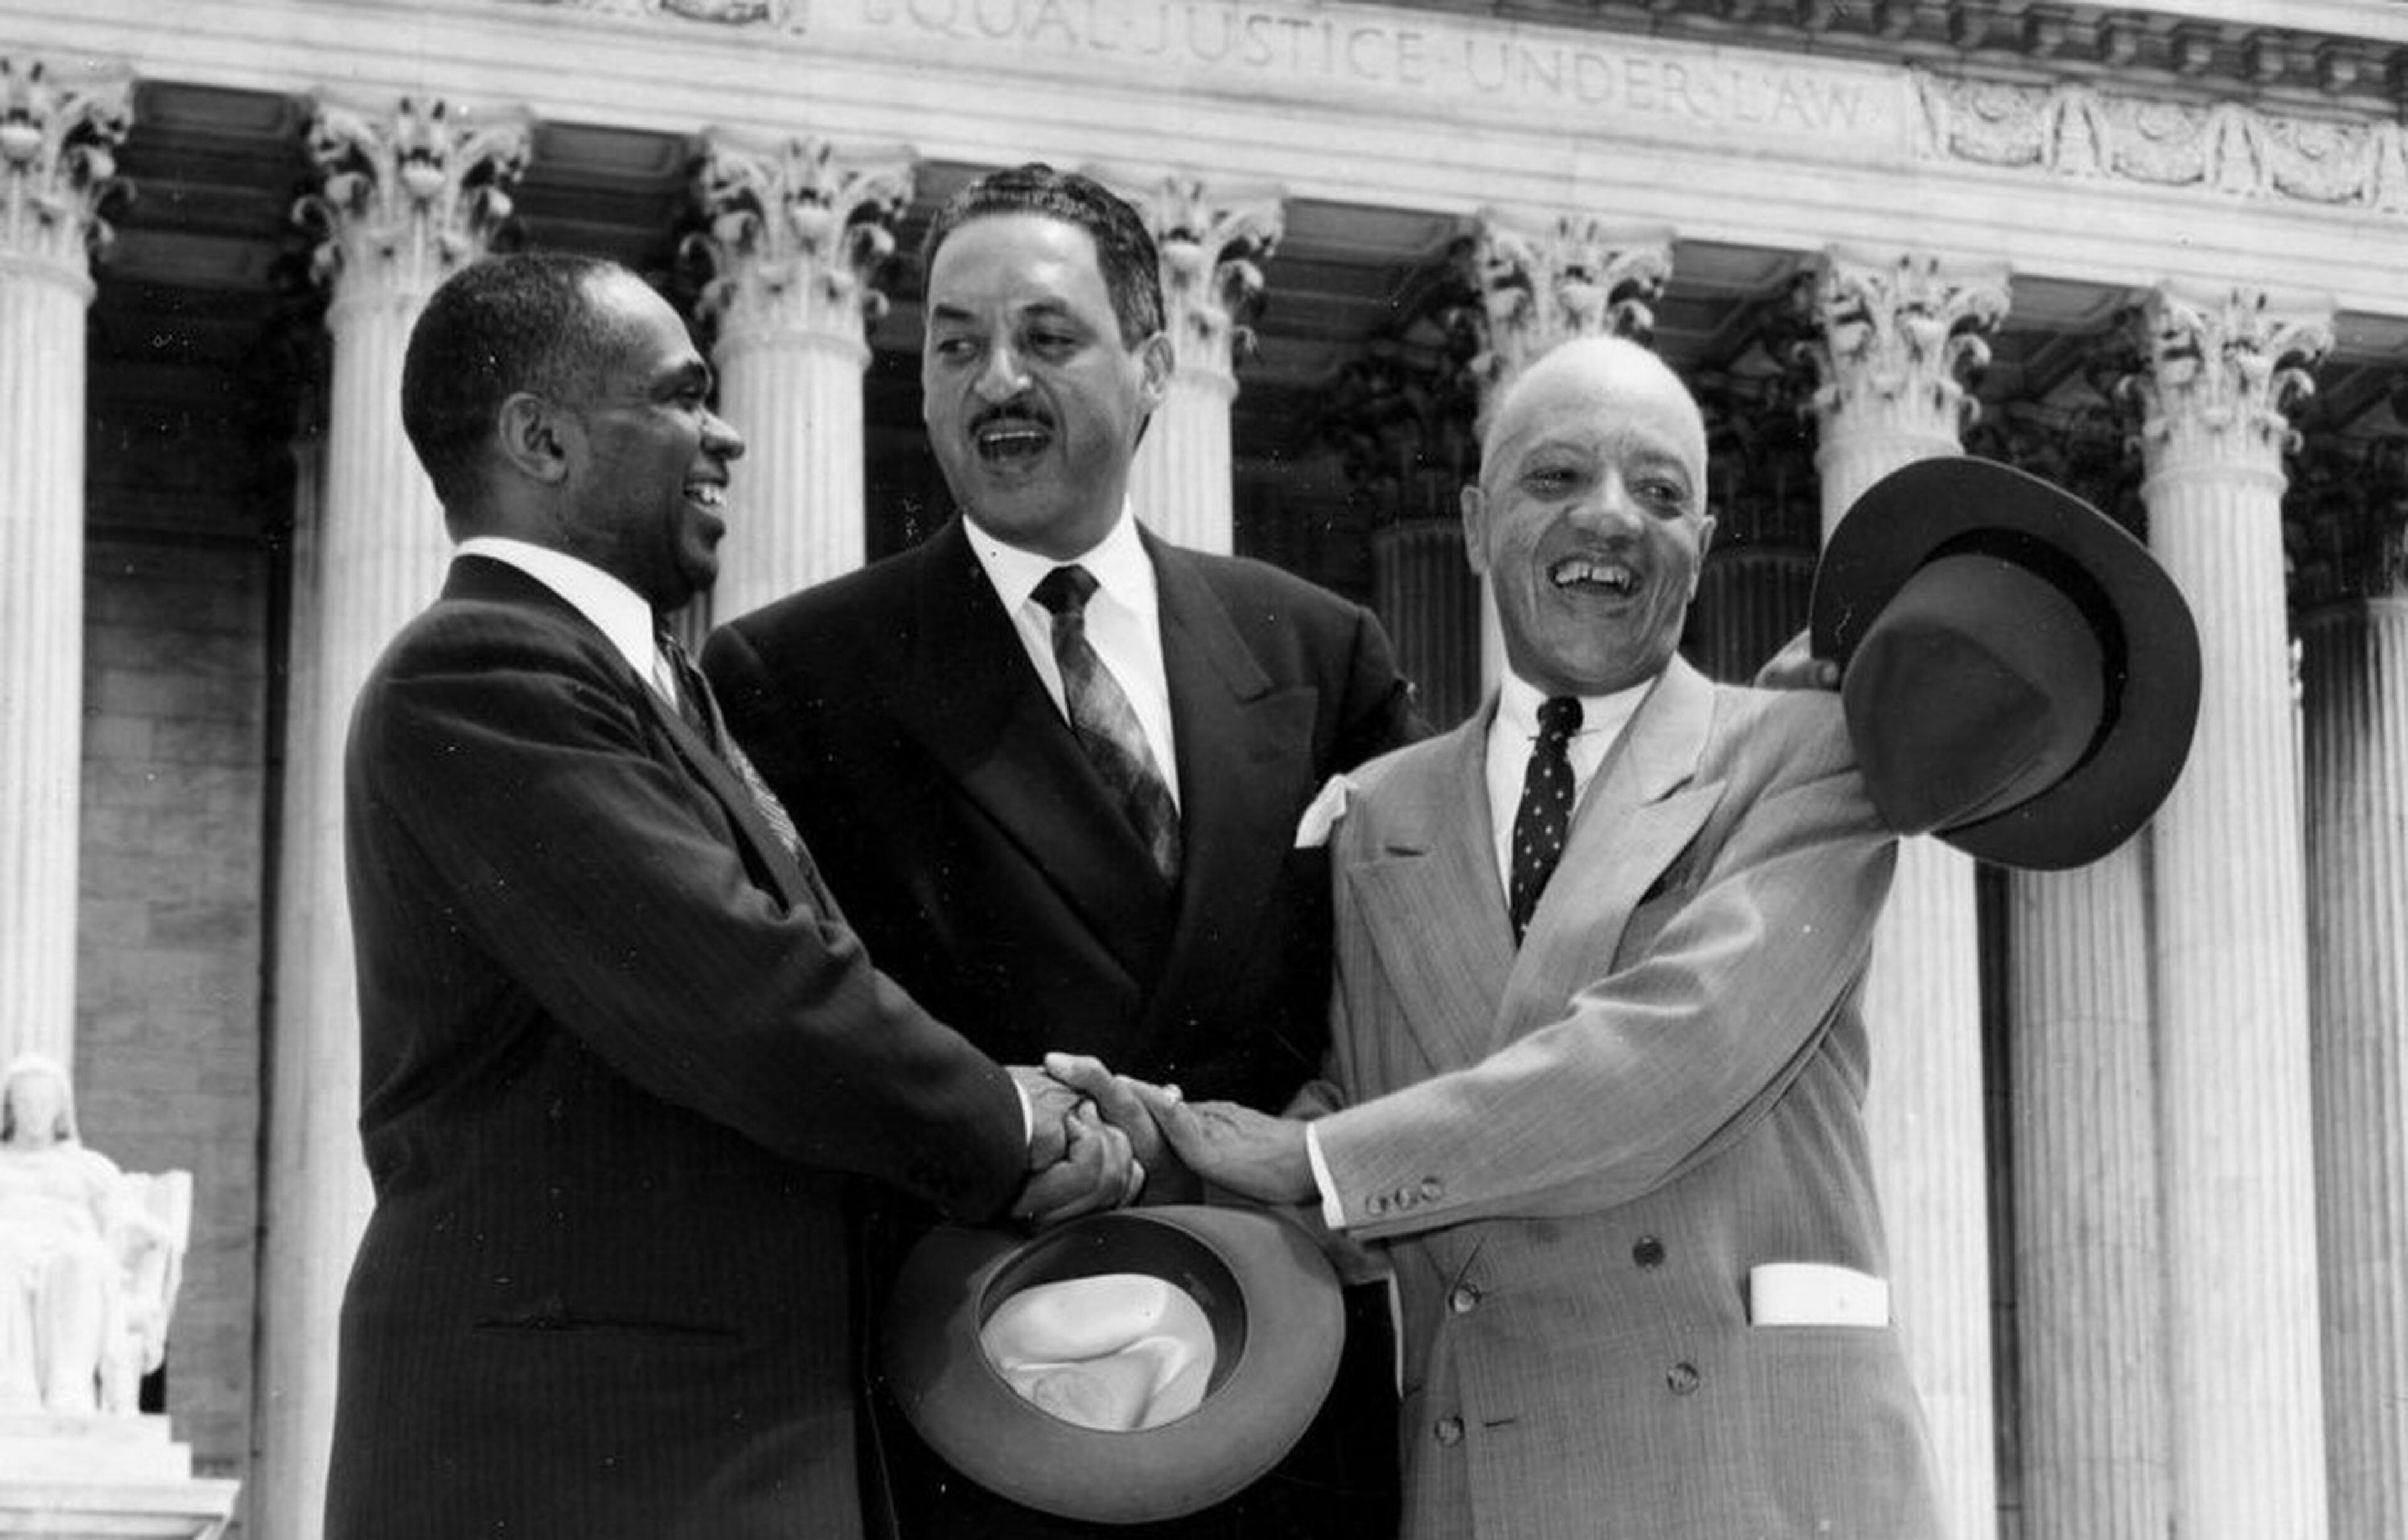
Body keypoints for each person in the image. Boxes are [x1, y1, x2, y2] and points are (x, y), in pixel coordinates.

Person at [326, 251, 1130, 1540]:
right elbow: (746, 994)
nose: (730, 430)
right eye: (680, 396)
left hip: (705, 1445)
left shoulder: (658, 686)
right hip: (583, 1466)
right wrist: (1008, 1120)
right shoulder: (478, 673)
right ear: (543, 440)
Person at [1105, 335, 1950, 1538]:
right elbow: (1373, 1123)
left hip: (1757, 1476)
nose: (1610, 521)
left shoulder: (1810, 753)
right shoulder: (1379, 812)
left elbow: (1677, 1058)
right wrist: (1181, 1156)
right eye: (1557, 479)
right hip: (1489, 1477)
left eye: (1659, 495)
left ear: (1704, 548)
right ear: (1473, 521)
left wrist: (1320, 1161)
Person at [702, 164, 1414, 1539]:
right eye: (955, 345)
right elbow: (784, 1044)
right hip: (974, 1410)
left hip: (1284, 1401)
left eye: (1045, 337)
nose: (995, 383)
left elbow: (1423, 976)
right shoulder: (795, 676)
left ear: (1154, 366)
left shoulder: (1321, 657)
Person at [0, 1053, 163, 1415]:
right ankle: (13, 1391)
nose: (34, 1112)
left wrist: (138, 1234)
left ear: (61, 1109)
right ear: (9, 1108)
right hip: (8, 1256)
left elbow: (126, 1218)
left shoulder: (89, 1167)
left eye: (44, 1103)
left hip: (70, 1259)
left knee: (81, 1259)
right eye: (24, 1102)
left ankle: (69, 1391)